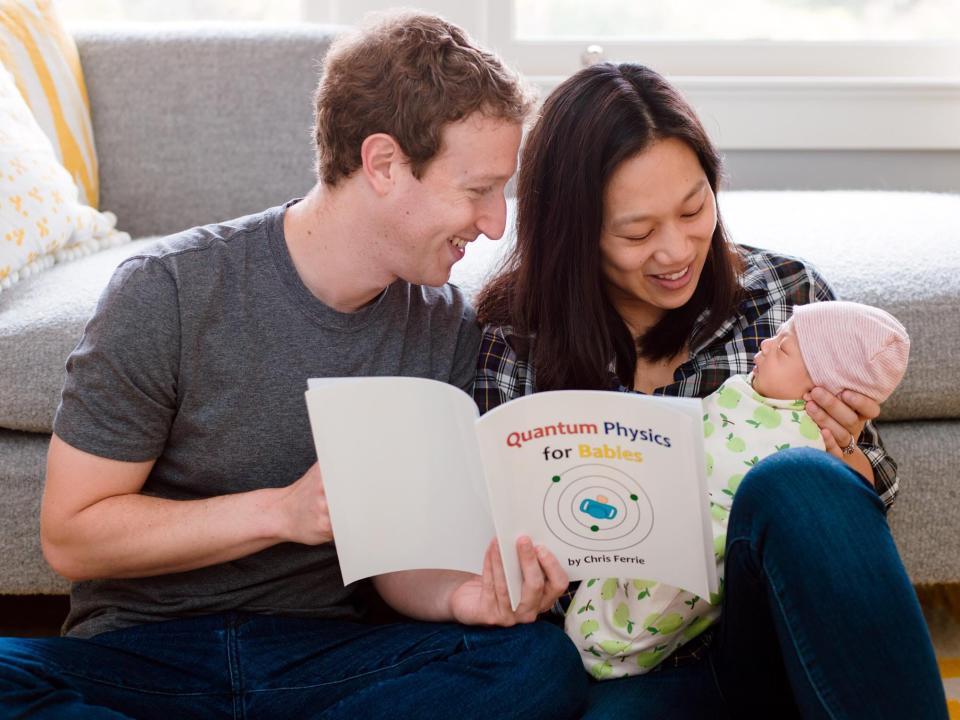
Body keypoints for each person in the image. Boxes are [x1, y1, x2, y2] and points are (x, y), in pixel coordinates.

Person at [0, 12, 588, 719]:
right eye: (476, 190)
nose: (495, 223)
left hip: (319, 659)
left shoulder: (443, 326)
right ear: (384, 165)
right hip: (145, 655)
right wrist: (280, 513)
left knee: (536, 662)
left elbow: (400, 560)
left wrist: (460, 595)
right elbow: (72, 537)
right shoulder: (170, 289)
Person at [474, 62, 948, 718]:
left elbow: (856, 505)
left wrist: (847, 464)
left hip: (769, 637)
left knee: (799, 481)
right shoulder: (517, 340)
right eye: (638, 233)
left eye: (695, 209)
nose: (676, 251)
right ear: (575, 234)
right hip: (626, 668)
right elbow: (495, 550)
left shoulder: (784, 297)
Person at [568, 301, 911, 680]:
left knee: (659, 601)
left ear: (824, 390)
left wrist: (845, 453)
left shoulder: (813, 439)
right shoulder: (740, 391)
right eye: (638, 236)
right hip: (636, 526)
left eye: (782, 348)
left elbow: (872, 496)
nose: (765, 345)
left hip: (717, 582)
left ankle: (613, 647)